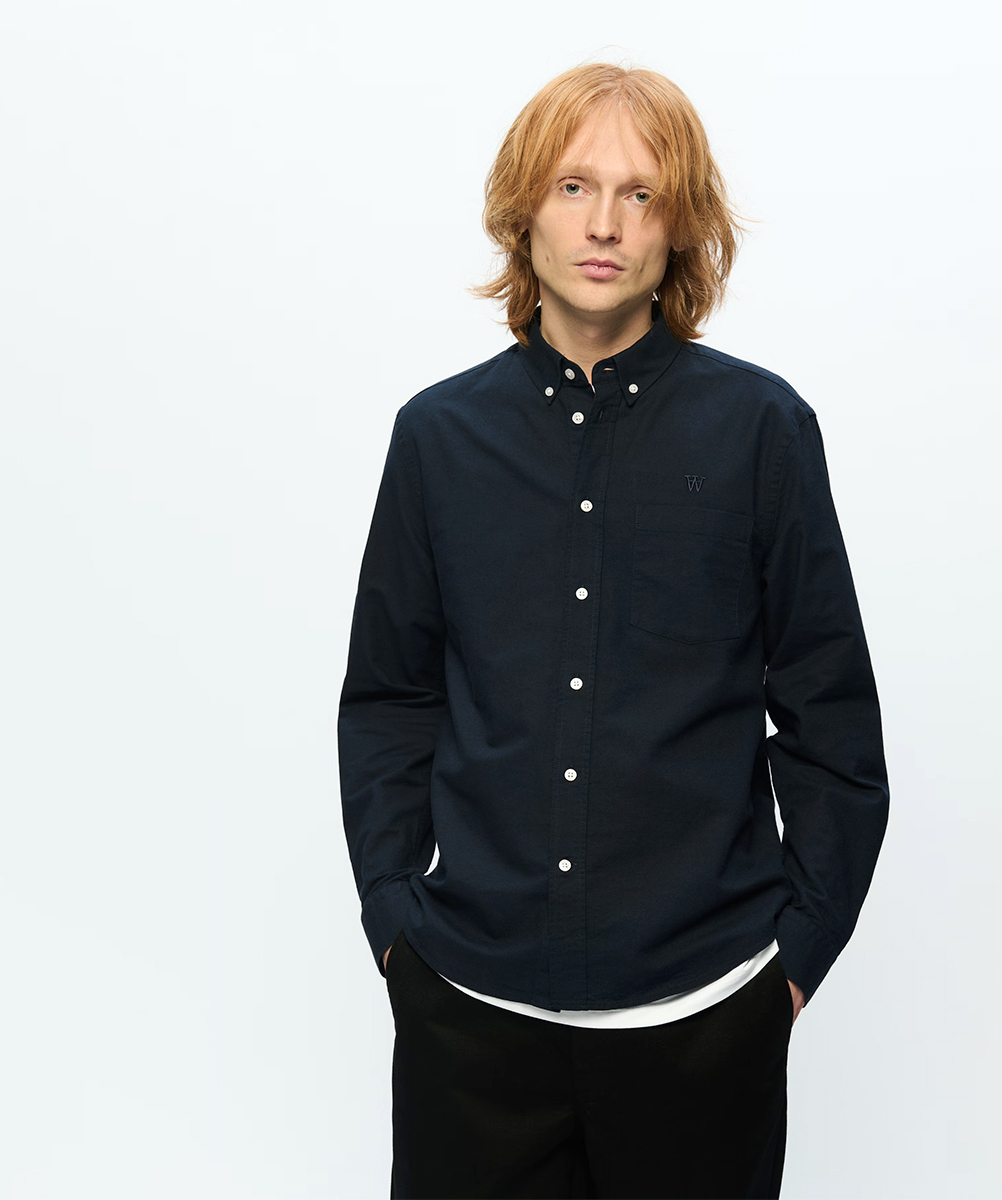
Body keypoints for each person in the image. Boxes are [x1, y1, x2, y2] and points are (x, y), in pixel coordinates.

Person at [338, 60, 890, 1200]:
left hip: (705, 1019)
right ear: (523, 210)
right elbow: (391, 698)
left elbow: (830, 716)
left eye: (642, 194)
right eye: (575, 186)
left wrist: (792, 962)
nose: (605, 224)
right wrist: (395, 921)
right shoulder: (436, 439)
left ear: (680, 225)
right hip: (470, 1019)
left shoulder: (763, 432)